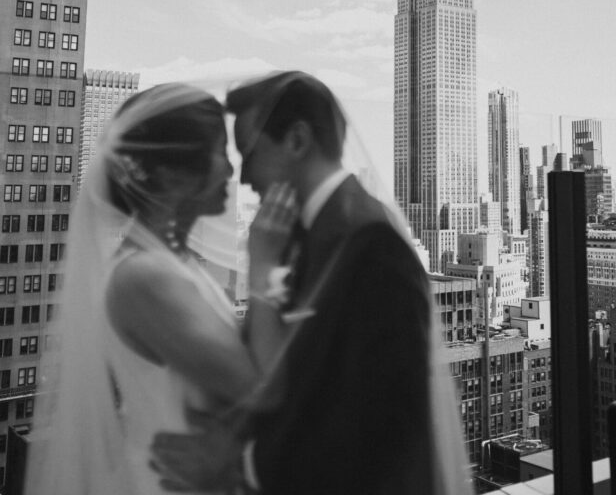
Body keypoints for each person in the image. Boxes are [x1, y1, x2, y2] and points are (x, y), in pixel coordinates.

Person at [152, 71, 470, 494]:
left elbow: (386, 433)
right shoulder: (294, 235)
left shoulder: (374, 246)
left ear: (297, 141)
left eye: (249, 152)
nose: (243, 176)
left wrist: (240, 468)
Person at [25, 83, 291, 495]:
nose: (230, 170)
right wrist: (265, 264)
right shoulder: (144, 276)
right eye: (220, 152)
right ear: (170, 174)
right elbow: (260, 390)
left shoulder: (176, 264)